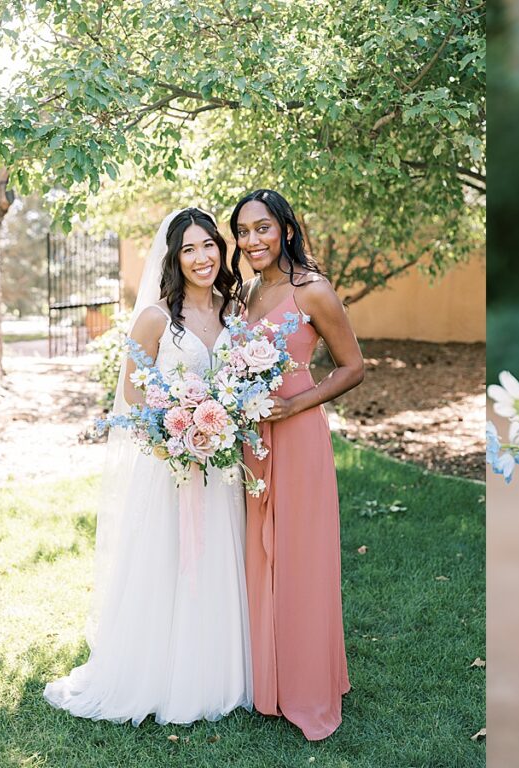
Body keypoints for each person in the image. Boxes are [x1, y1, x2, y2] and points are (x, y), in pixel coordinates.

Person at [44, 208, 252, 724]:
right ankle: (157, 674)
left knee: (219, 561)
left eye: (209, 246)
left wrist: (220, 429)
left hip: (222, 468)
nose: (202, 258)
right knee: (168, 564)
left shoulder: (235, 312)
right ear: (174, 258)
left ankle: (220, 671)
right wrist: (172, 440)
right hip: (170, 466)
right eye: (189, 249)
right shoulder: (155, 318)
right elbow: (133, 394)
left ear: (220, 252)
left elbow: (245, 382)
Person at [230, 189, 364, 740]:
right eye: (241, 231)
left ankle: (308, 686)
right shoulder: (246, 292)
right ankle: (268, 681)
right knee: (261, 551)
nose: (251, 240)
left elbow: (353, 367)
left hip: (299, 434)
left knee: (301, 556)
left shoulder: (314, 290)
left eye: (262, 228)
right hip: (252, 440)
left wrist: (294, 404)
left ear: (285, 228)